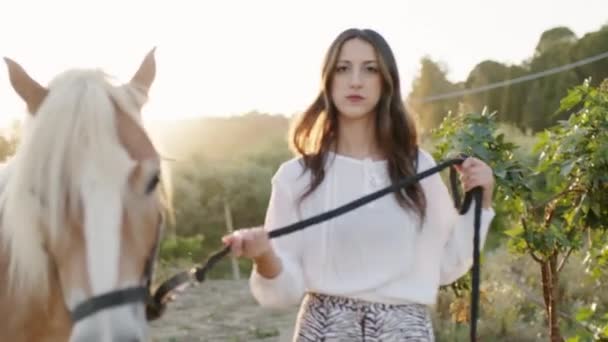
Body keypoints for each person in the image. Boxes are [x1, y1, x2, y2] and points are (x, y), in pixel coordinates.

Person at [222, 28, 496, 341]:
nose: (355, 81)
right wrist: (264, 255)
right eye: (343, 69)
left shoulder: (417, 166)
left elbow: (448, 264)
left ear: (386, 81)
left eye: (370, 69)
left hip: (405, 331)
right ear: (328, 80)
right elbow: (284, 292)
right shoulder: (295, 176)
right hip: (325, 330)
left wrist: (481, 200)